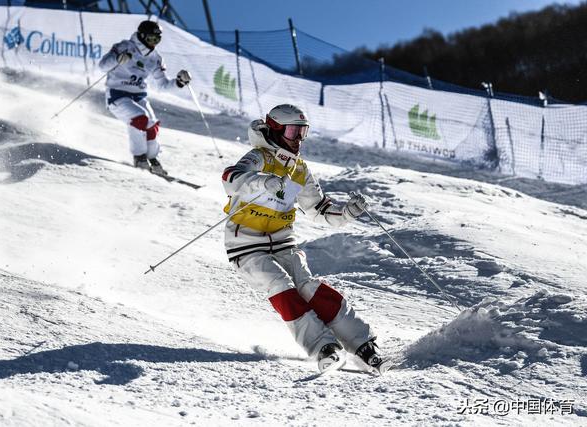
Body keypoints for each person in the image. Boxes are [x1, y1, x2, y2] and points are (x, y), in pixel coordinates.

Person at [222, 104, 386, 373]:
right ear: (275, 130)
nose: (298, 139)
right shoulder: (259, 157)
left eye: (303, 132)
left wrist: (346, 212)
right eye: (292, 131)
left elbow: (319, 209)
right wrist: (262, 181)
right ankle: (324, 346)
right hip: (246, 244)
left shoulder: (299, 168)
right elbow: (231, 177)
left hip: (283, 241)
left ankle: (364, 345)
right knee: (279, 284)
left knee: (308, 287)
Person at [99, 20, 192, 176]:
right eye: (150, 39)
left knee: (152, 125)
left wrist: (179, 82)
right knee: (140, 119)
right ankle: (139, 158)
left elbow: (162, 85)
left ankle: (152, 159)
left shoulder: (155, 58)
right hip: (117, 94)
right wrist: (117, 59)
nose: (153, 43)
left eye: (157, 40)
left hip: (138, 96)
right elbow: (102, 66)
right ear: (142, 36)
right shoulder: (124, 47)